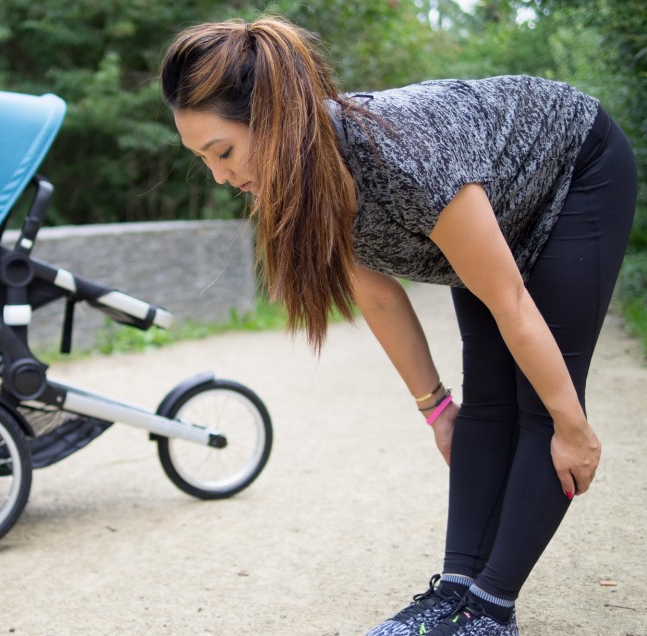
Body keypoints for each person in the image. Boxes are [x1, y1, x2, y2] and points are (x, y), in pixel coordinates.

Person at [159, 15, 637, 636]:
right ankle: (456, 593)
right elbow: (378, 298)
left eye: (222, 152)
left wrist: (574, 428)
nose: (221, 177)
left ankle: (491, 613)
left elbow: (512, 304)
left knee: (543, 400)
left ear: (276, 120)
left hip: (576, 171)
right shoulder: (297, 182)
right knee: (487, 399)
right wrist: (437, 411)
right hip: (499, 198)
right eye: (204, 160)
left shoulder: (404, 156)